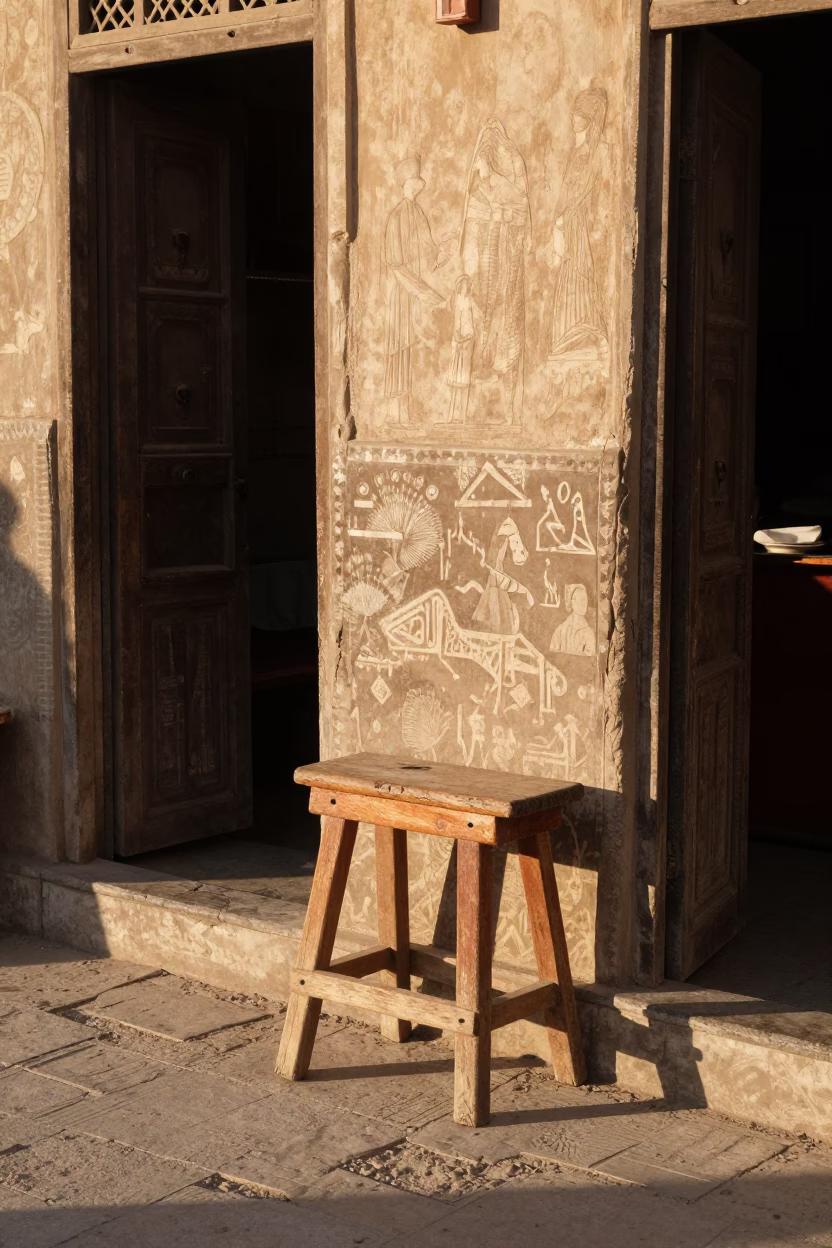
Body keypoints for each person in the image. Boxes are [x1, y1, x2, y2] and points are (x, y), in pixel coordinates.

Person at [460, 119, 531, 424]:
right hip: (483, 281)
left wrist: (503, 222)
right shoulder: (478, 197)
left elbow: (519, 213)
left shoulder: (508, 191)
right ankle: (478, 398)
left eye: (480, 163)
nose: (477, 169)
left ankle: (508, 404)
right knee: (479, 327)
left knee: (505, 328)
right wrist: (469, 265)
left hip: (503, 275)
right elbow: (471, 238)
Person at [383, 155, 443, 425]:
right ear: (406, 183)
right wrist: (419, 291)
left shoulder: (417, 213)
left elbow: (430, 250)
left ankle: (406, 410)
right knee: (400, 347)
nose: (416, 187)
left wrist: (448, 248)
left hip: (419, 289)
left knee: (414, 350)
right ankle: (397, 411)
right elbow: (395, 265)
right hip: (403, 291)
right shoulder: (396, 216)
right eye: (412, 182)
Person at [550, 582, 596, 656]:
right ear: (572, 602)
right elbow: (553, 657)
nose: (585, 603)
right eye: (581, 600)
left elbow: (589, 659)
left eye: (585, 600)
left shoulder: (589, 634)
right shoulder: (560, 631)